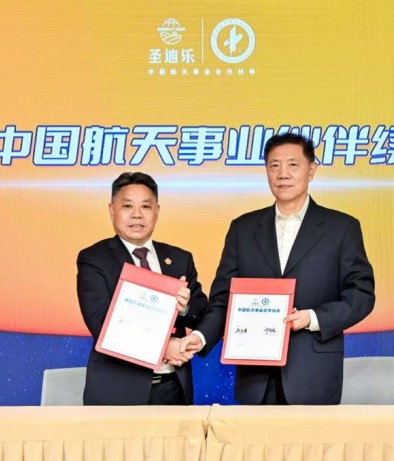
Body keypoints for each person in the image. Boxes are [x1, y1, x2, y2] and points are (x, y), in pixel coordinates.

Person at [179, 133, 375, 405]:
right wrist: (200, 337)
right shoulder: (243, 229)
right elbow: (224, 299)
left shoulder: (341, 228)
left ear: (311, 170)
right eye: (274, 165)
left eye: (293, 165)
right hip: (255, 378)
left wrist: (312, 317)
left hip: (313, 375)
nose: (283, 174)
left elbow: (361, 295)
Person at [77, 172, 207, 405]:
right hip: (119, 392)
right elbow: (103, 327)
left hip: (173, 388)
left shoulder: (179, 258)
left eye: (145, 206)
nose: (137, 214)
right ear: (112, 210)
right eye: (127, 206)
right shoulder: (94, 259)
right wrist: (164, 348)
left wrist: (185, 307)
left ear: (157, 211)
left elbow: (201, 311)